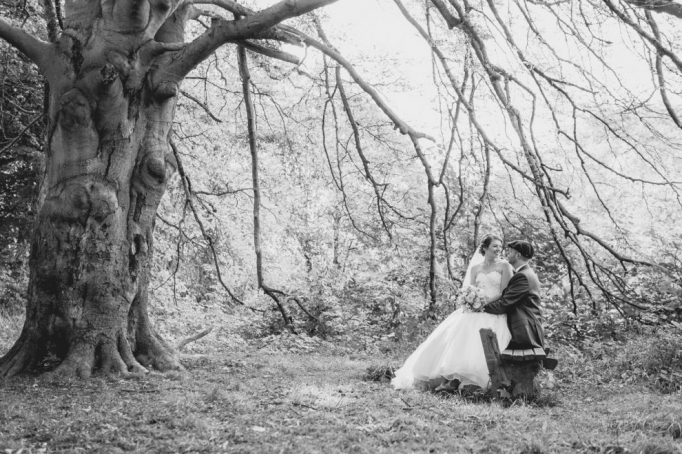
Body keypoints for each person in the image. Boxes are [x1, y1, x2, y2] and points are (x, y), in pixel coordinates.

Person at [392, 235, 514, 391]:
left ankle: (469, 382)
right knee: (458, 336)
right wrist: (470, 301)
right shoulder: (476, 268)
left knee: (476, 341)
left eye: (500, 246)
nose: (499, 249)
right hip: (474, 309)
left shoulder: (505, 266)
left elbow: (504, 292)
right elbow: (469, 289)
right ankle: (450, 380)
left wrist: (482, 303)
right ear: (485, 248)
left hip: (491, 311)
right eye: (495, 246)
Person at [483, 240, 546, 350]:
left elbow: (503, 304)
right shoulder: (525, 273)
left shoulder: (523, 277)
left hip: (525, 332)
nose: (507, 254)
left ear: (517, 255)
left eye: (510, 251)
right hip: (525, 327)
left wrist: (480, 307)